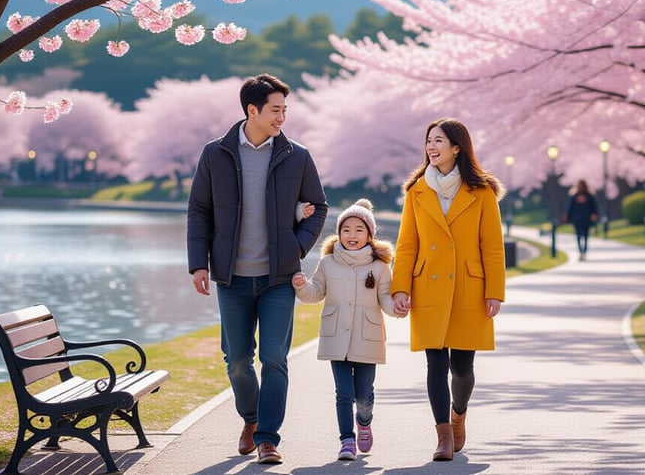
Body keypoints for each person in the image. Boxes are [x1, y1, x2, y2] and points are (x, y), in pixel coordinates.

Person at [187, 73, 328, 465]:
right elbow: (199, 209)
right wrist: (198, 263)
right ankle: (250, 419)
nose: (282, 117)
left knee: (274, 358)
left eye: (285, 109)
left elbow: (319, 207)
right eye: (275, 110)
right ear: (253, 110)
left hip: (279, 279)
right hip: (232, 277)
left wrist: (297, 246)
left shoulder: (296, 155)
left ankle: (268, 437)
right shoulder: (215, 153)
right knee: (235, 359)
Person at [390, 117, 506, 462]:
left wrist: (494, 291)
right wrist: (400, 287)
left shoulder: (482, 191)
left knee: (463, 368)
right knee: (435, 364)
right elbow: (407, 243)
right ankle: (443, 434)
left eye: (438, 141)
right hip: (428, 286)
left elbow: (493, 246)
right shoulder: (416, 190)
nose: (431, 147)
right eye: (428, 141)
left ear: (457, 147)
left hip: (469, 286)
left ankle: (459, 414)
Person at [291, 199, 398, 461]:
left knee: (363, 394)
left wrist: (398, 307)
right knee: (343, 393)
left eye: (359, 230)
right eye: (346, 229)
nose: (352, 235)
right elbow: (316, 292)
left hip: (367, 338)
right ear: (339, 233)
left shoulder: (380, 267)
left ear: (369, 234)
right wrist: (301, 286)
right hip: (336, 336)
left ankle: (364, 421)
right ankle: (346, 441)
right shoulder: (328, 263)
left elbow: (385, 298)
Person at [562, 179, 598, 261]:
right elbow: (570, 207)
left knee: (585, 236)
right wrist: (567, 215)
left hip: (585, 219)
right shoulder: (574, 196)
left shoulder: (589, 196)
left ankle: (584, 252)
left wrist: (594, 215)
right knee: (578, 236)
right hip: (577, 219)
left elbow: (593, 207)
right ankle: (581, 252)